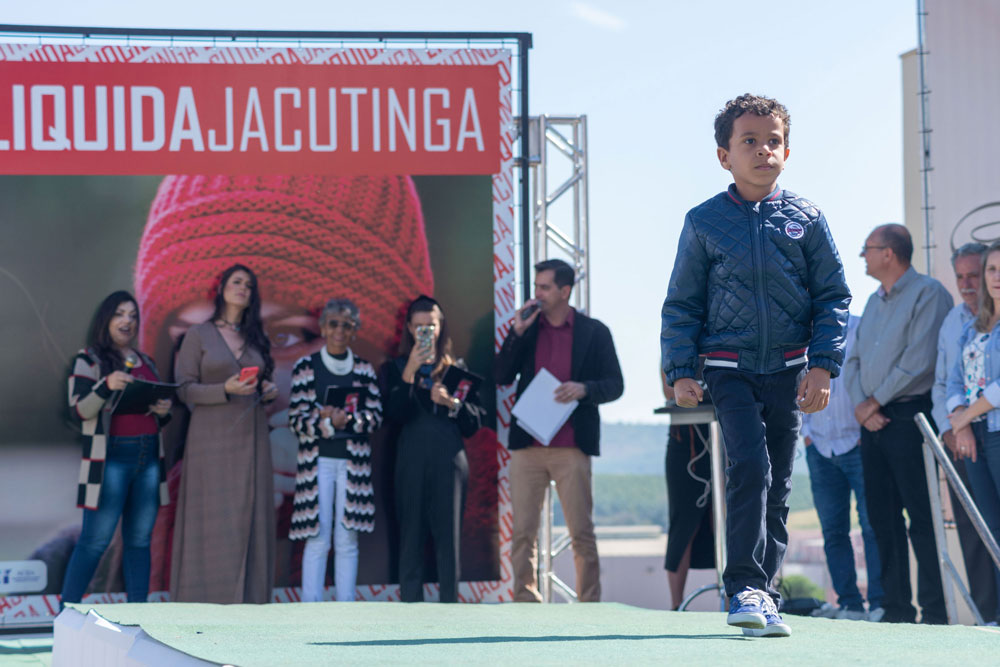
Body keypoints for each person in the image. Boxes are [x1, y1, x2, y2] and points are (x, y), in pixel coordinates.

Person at [661, 93, 851, 638]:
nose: (763, 150)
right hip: (727, 369)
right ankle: (743, 586)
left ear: (787, 151)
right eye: (749, 141)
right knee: (750, 468)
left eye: (773, 141)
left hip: (790, 372)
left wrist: (823, 365)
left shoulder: (807, 219)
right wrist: (680, 371)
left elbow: (833, 296)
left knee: (780, 483)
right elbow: (682, 305)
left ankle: (763, 593)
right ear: (724, 155)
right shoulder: (702, 223)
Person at [497, 258, 624, 603]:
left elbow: (616, 385)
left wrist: (584, 389)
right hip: (527, 446)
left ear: (565, 291)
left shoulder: (594, 331)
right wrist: (516, 333)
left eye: (544, 287)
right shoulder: (528, 329)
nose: (536, 294)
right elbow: (501, 376)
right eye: (536, 286)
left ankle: (589, 605)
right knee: (522, 532)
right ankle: (525, 600)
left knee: (581, 532)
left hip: (572, 446)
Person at [844, 223, 952, 624]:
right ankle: (896, 608)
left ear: (889, 253)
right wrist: (862, 407)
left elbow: (919, 359)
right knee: (881, 517)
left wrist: (874, 402)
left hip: (910, 417)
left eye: (868, 249)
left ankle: (936, 611)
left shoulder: (929, 294)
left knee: (921, 518)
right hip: (872, 423)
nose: (863, 257)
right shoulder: (874, 302)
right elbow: (853, 361)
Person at [170, 264, 280, 603]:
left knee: (250, 512)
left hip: (252, 435)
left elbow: (257, 382)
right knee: (212, 517)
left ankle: (250, 599)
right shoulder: (199, 334)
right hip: (210, 437)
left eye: (249, 284)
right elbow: (183, 389)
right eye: (236, 282)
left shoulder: (256, 337)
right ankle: (203, 598)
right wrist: (224, 389)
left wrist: (266, 390)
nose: (242, 288)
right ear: (221, 289)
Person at [62, 291, 172, 604]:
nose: (127, 321)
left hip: (149, 457)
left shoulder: (146, 361)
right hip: (111, 460)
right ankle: (65, 613)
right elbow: (79, 410)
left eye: (133, 315)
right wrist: (105, 384)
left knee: (139, 541)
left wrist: (164, 413)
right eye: (120, 314)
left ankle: (139, 615)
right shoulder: (89, 359)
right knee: (95, 541)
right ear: (106, 319)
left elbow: (156, 413)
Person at [382, 296, 482, 602]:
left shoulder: (457, 370)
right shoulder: (394, 368)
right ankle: (411, 609)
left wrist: (451, 403)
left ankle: (449, 610)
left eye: (432, 326)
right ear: (410, 329)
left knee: (448, 539)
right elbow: (392, 414)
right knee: (410, 536)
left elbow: (475, 423)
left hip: (449, 460)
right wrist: (410, 371)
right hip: (410, 460)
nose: (426, 331)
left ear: (441, 328)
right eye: (420, 326)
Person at [288, 298, 383, 602]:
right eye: (333, 324)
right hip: (317, 464)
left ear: (355, 330)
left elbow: (376, 417)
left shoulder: (364, 370)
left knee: (347, 539)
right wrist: (325, 422)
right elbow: (296, 420)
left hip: (352, 465)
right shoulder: (306, 367)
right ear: (323, 327)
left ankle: (345, 609)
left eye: (347, 325)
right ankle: (310, 609)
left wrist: (349, 419)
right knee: (317, 538)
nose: (339, 330)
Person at [931, 242, 998, 621]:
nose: (969, 283)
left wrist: (964, 418)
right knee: (981, 529)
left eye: (978, 274)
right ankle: (989, 616)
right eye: (962, 277)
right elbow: (946, 382)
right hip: (967, 439)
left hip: (989, 430)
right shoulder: (961, 324)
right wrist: (955, 426)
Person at [801, 315, 884, 621]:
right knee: (833, 531)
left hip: (857, 442)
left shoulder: (861, 328)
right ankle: (850, 605)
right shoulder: (796, 335)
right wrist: (806, 434)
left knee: (871, 526)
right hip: (820, 447)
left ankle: (878, 603)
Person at [660, 371, 714, 610]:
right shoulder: (677, 337)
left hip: (726, 436)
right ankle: (676, 606)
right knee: (683, 522)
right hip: (684, 440)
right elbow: (670, 390)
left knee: (727, 522)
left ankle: (734, 598)